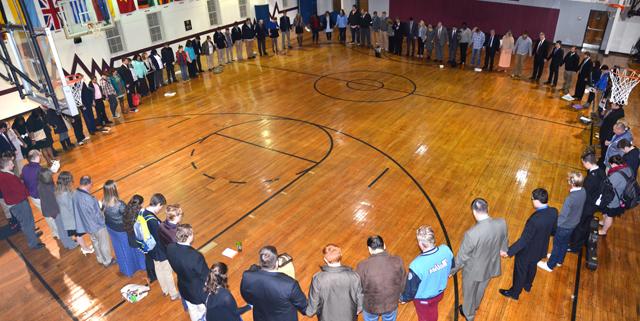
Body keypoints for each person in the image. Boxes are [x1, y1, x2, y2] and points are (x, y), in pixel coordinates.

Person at [449, 198, 508, 321]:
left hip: (473, 271)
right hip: (491, 266)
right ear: (488, 209)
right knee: (481, 288)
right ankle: (474, 306)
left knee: (469, 294)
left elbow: (461, 257)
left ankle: (469, 315)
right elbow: (504, 238)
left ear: (474, 212)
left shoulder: (472, 234)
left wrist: (451, 271)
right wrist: (504, 249)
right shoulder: (502, 223)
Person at [500, 188, 557, 300]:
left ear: (537, 201)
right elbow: (554, 230)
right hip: (541, 249)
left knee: (520, 271)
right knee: (532, 266)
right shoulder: (554, 211)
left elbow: (524, 240)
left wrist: (509, 252)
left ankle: (514, 293)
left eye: (532, 199)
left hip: (527, 252)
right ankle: (527, 285)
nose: (531, 201)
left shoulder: (534, 220)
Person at [240, 245, 308, 321]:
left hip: (260, 317)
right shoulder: (289, 285)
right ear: (277, 263)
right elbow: (305, 309)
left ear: (260, 262)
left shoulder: (247, 276)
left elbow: (246, 297)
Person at [400, 226, 453, 321]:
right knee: (433, 309)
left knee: (425, 317)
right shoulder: (446, 250)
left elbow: (411, 289)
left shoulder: (416, 265)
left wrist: (403, 298)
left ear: (420, 244)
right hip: (440, 293)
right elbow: (452, 268)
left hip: (424, 300)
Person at [537, 173, 586, 272]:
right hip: (573, 223)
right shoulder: (583, 191)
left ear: (571, 183)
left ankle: (550, 265)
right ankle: (559, 260)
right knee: (564, 243)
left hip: (564, 226)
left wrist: (555, 226)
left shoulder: (570, 199)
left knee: (557, 245)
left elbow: (563, 216)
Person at [306, 244, 363, 321]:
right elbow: (360, 296)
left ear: (325, 259)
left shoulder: (318, 278)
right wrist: (359, 308)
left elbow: (313, 302)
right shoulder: (354, 276)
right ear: (341, 256)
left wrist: (310, 312)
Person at [355, 235, 405, 321]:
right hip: (391, 304)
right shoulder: (397, 261)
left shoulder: (362, 266)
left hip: (371, 307)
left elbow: (359, 288)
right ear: (384, 245)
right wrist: (402, 297)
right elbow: (403, 282)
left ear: (369, 249)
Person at [102, 180, 146, 277]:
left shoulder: (104, 202)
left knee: (119, 249)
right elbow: (128, 217)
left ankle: (126, 268)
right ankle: (135, 267)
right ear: (113, 190)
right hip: (122, 230)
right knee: (128, 248)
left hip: (111, 228)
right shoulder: (119, 204)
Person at [167, 224, 209, 321]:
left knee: (192, 310)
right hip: (197, 291)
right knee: (203, 311)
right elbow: (205, 275)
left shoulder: (170, 248)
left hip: (183, 286)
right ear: (189, 237)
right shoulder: (195, 256)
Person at [0, 157, 44, 249]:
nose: (13, 165)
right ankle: (33, 243)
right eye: (11, 163)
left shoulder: (3, 174)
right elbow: (19, 190)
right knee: (27, 223)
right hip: (19, 203)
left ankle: (32, 235)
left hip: (15, 203)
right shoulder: (8, 177)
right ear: (7, 165)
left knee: (27, 222)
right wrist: (26, 187)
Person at [143, 193, 179, 300]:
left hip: (151, 248)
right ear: (158, 204)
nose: (161, 209)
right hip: (160, 250)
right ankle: (173, 294)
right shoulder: (153, 221)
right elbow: (160, 237)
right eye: (161, 206)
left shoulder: (144, 212)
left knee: (158, 269)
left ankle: (165, 290)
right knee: (167, 271)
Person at [569, 152, 606, 252]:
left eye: (583, 163)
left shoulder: (591, 179)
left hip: (587, 206)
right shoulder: (601, 171)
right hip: (593, 205)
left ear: (588, 163)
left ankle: (574, 247)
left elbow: (584, 194)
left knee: (580, 225)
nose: (583, 165)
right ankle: (583, 241)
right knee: (586, 224)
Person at [73, 175, 114, 266]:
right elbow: (96, 215)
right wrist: (103, 218)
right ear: (87, 184)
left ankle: (99, 258)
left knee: (95, 242)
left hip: (87, 224)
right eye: (91, 183)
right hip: (97, 226)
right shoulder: (89, 199)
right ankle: (107, 261)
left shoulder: (75, 193)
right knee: (103, 243)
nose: (92, 185)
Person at [21, 150, 58, 238]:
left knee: (47, 216)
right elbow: (48, 183)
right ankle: (59, 233)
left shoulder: (25, 168)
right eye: (40, 156)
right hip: (43, 196)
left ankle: (55, 232)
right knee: (52, 215)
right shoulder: (39, 169)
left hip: (33, 197)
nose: (41, 157)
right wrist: (51, 172)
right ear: (37, 157)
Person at [37, 168, 75, 249]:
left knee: (61, 228)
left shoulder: (41, 184)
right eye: (51, 175)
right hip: (56, 210)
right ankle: (70, 244)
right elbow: (56, 200)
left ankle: (67, 243)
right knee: (63, 228)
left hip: (51, 210)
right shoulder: (50, 188)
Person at [55, 171, 93, 253]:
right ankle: (85, 248)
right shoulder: (64, 194)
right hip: (71, 219)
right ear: (67, 181)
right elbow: (71, 208)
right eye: (71, 180)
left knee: (78, 234)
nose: (72, 181)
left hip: (69, 217)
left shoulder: (60, 189)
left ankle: (84, 247)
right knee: (79, 234)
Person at [600, 155, 632, 236]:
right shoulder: (627, 168)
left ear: (614, 164)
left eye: (611, 165)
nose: (610, 166)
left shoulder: (617, 175)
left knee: (609, 215)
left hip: (614, 199)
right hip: (620, 196)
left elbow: (607, 185)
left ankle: (604, 231)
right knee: (606, 212)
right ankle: (603, 222)